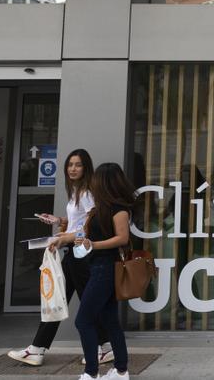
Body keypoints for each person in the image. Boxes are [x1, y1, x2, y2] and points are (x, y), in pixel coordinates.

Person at [8, 149, 112, 367]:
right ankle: (40, 349)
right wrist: (59, 220)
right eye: (70, 164)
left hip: (80, 255)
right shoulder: (77, 192)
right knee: (59, 300)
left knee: (63, 301)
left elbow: (94, 226)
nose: (73, 169)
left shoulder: (87, 193)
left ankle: (103, 347)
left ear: (86, 168)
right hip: (74, 254)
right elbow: (80, 222)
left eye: (78, 165)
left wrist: (64, 239)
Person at [73, 162, 135, 380]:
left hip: (106, 268)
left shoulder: (119, 210)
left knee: (83, 320)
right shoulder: (100, 208)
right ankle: (120, 370)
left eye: (96, 180)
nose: (93, 183)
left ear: (104, 182)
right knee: (110, 321)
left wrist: (93, 245)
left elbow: (122, 238)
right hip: (97, 266)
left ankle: (91, 373)